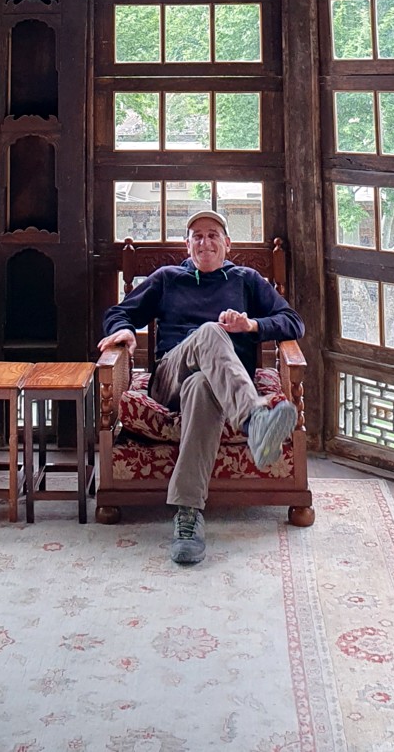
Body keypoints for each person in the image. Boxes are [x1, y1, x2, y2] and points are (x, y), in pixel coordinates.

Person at [98, 208, 304, 566]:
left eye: (212, 235)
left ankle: (188, 517)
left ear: (228, 243)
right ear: (187, 244)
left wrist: (250, 325)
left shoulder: (246, 279)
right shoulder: (168, 278)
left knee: (202, 386)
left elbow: (293, 322)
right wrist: (125, 329)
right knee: (209, 332)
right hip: (169, 379)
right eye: (197, 236)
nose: (204, 242)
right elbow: (119, 313)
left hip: (220, 387)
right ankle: (254, 420)